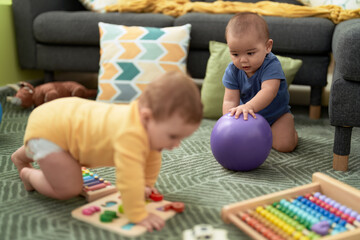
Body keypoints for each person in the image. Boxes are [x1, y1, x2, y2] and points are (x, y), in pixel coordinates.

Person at [11, 71, 203, 232]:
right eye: (172, 136)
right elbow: (128, 177)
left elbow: (152, 159)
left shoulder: (146, 127)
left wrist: (146, 185)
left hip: (59, 118)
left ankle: (23, 154)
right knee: (69, 187)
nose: (177, 144)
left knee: (46, 144)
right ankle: (28, 174)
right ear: (147, 117)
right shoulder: (130, 136)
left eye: (181, 138)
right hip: (50, 130)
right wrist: (137, 213)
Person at [222, 12, 298, 152]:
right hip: (249, 117)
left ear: (267, 47)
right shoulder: (232, 70)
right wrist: (229, 122)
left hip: (276, 116)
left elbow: (269, 91)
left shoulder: (271, 65)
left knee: (284, 146)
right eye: (235, 54)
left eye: (250, 53)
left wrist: (249, 106)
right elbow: (229, 100)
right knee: (240, 144)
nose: (243, 60)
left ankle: (290, 128)